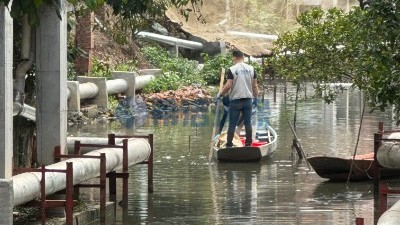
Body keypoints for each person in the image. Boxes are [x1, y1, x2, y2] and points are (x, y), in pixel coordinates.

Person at [215, 50, 258, 147]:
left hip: (235, 101)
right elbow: (255, 86)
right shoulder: (251, 69)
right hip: (247, 100)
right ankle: (248, 144)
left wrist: (220, 94)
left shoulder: (232, 69)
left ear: (234, 57)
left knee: (232, 124)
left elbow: (228, 85)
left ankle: (229, 145)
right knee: (248, 123)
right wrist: (255, 97)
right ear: (243, 57)